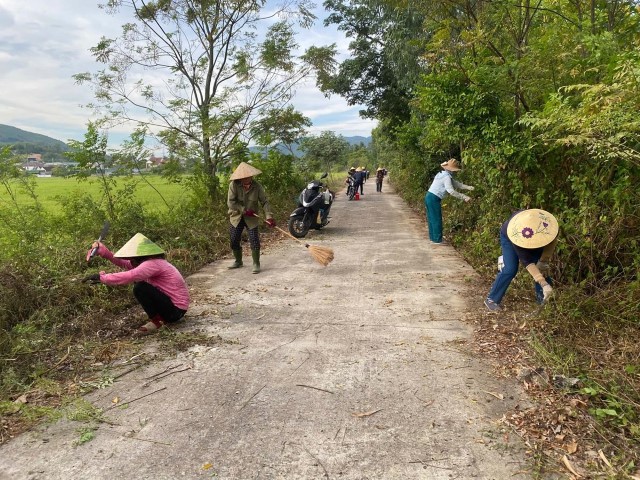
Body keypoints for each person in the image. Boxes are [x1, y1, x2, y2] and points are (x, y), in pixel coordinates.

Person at [83, 233, 190, 335]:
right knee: (141, 285)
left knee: (140, 287)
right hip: (176, 309)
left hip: (175, 311)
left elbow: (130, 275)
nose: (130, 261)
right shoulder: (154, 262)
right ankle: (160, 317)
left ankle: (158, 321)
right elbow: (125, 264)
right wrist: (105, 253)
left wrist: (102, 278)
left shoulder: (152, 264)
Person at [484, 209, 559, 312]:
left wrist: (543, 261)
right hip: (509, 238)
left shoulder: (549, 226)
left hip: (537, 237)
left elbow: (551, 243)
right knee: (510, 269)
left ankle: (545, 303)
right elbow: (528, 263)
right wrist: (544, 284)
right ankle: (491, 299)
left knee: (540, 268)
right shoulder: (517, 236)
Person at [227, 162, 275, 273]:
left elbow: (265, 202)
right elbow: (231, 203)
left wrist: (269, 217)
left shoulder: (257, 186)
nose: (246, 179)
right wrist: (243, 210)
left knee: (254, 239)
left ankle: (256, 263)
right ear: (240, 177)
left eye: (248, 176)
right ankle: (238, 261)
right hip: (236, 216)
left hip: (252, 218)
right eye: (244, 177)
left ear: (252, 176)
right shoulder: (233, 185)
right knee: (234, 239)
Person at [425, 158, 474, 244]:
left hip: (429, 196)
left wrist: (468, 187)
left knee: (432, 218)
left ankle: (433, 238)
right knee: (436, 218)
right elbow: (451, 191)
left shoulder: (443, 174)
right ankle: (437, 240)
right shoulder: (446, 177)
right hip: (434, 198)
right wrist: (464, 197)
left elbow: (457, 184)